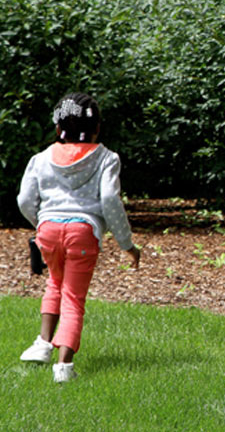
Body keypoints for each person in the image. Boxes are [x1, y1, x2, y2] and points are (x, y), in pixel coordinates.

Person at [17, 92, 140, 382]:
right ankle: (64, 368)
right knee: (73, 296)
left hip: (47, 230)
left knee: (55, 282)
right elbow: (110, 199)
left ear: (58, 128)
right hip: (82, 233)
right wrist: (127, 244)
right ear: (97, 127)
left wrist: (41, 222)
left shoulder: (41, 158)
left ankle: (43, 343)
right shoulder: (106, 158)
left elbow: (24, 199)